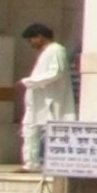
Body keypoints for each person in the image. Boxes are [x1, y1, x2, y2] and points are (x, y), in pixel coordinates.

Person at [15, 24, 75, 174]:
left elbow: (55, 73)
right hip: (38, 102)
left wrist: (28, 82)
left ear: (40, 37)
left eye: (31, 40)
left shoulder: (56, 50)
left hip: (51, 100)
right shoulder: (46, 52)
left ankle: (58, 164)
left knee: (56, 132)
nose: (31, 44)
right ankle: (31, 164)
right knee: (30, 129)